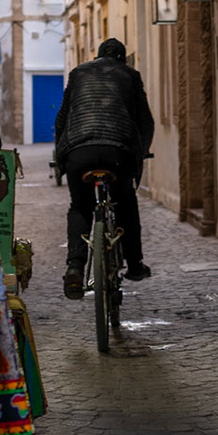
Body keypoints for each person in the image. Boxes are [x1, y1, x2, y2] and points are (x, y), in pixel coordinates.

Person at [54, 38, 155, 298]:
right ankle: (134, 264)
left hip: (78, 151)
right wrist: (142, 151)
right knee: (126, 204)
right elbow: (145, 120)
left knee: (80, 206)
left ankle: (75, 267)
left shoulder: (78, 73)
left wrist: (61, 155)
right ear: (123, 58)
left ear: (97, 56)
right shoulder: (130, 75)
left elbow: (62, 119)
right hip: (117, 152)